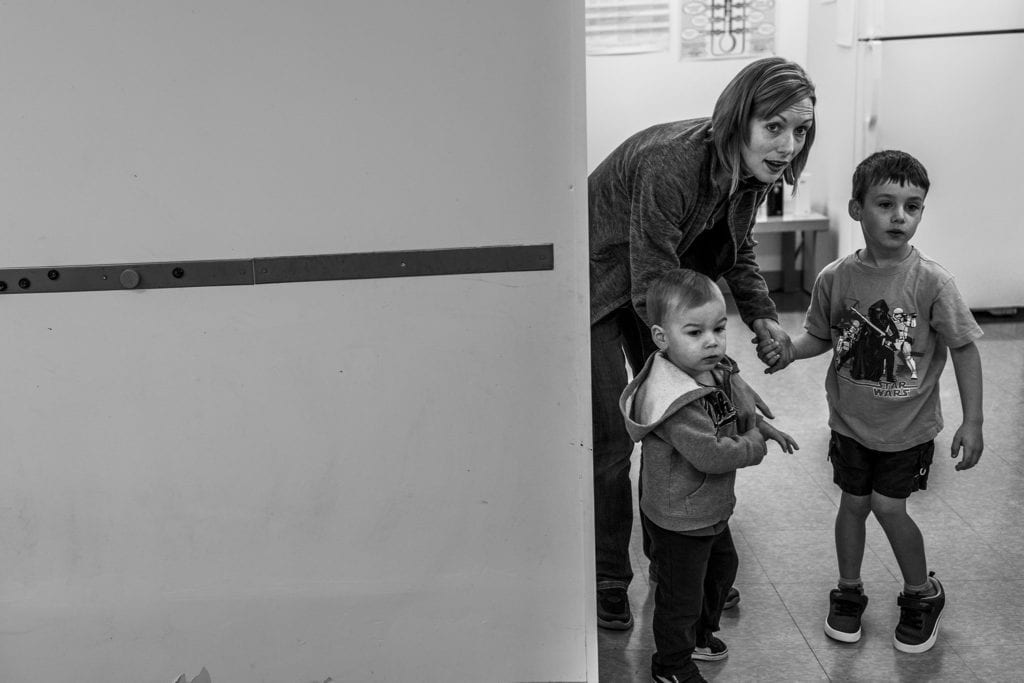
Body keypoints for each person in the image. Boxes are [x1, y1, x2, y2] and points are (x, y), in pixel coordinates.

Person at [588, 56, 815, 629]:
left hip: (660, 287)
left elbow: (735, 251)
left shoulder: (752, 172)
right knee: (617, 439)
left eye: (801, 129)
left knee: (679, 418)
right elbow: (651, 286)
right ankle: (609, 574)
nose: (789, 144)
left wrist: (761, 314)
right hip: (601, 290)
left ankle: (673, 563)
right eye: (775, 126)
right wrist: (720, 369)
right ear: (739, 119)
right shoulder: (672, 165)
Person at [759, 150, 983, 653]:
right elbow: (821, 336)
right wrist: (789, 351)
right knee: (854, 505)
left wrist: (974, 421)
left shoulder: (931, 281)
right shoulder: (835, 278)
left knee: (887, 506)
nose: (900, 216)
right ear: (857, 209)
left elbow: (965, 348)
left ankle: (921, 593)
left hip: (908, 428)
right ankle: (849, 590)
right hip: (850, 425)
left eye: (913, 206)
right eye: (885, 203)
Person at [620, 268, 798, 683]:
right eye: (695, 332)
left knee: (721, 571)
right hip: (680, 516)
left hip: (707, 507)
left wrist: (759, 424)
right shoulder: (675, 398)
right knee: (680, 597)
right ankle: (671, 666)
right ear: (662, 338)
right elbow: (712, 455)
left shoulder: (714, 369)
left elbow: (732, 407)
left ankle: (701, 634)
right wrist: (755, 443)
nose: (712, 341)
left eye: (719, 327)